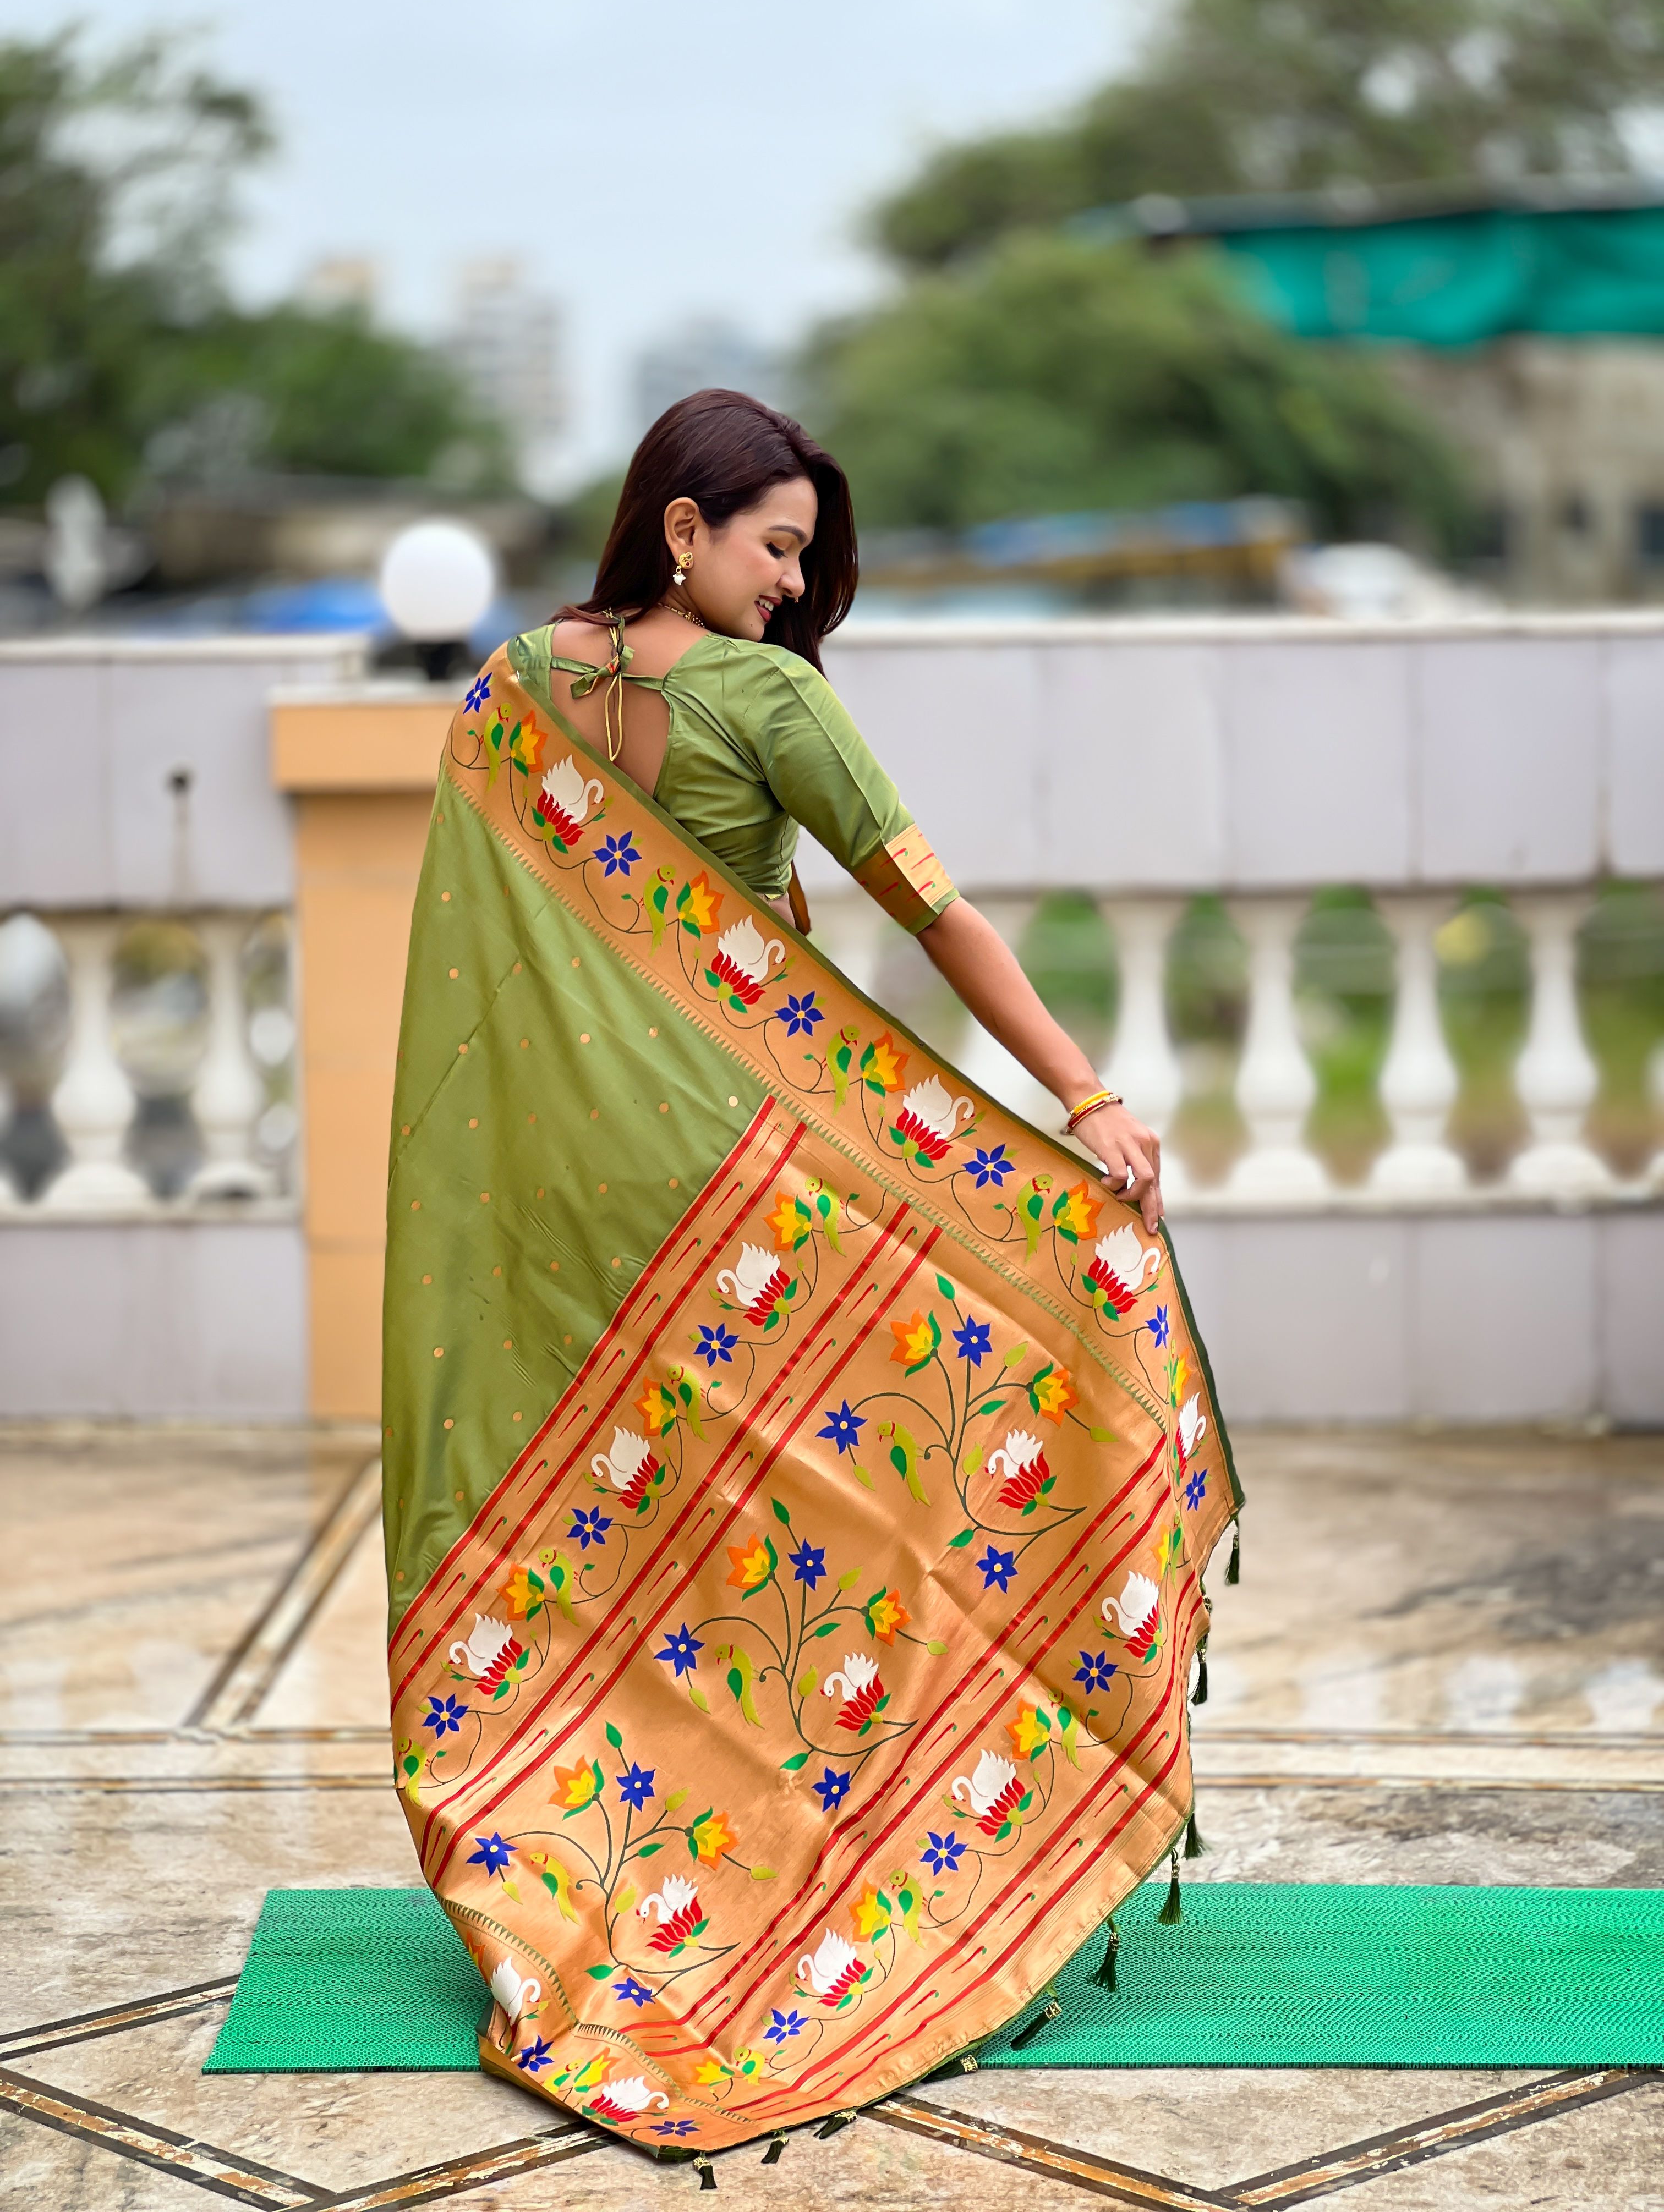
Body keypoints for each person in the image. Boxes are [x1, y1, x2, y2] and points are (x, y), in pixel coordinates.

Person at [381, 390, 1237, 2164]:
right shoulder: (768, 702)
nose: (793, 584)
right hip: (749, 1191)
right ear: (681, 528)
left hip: (573, 1204)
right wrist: (1082, 1095)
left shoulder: (514, 694)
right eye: (778, 547)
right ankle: (841, 1855)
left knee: (649, 1533)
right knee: (881, 1482)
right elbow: (938, 915)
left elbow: (476, 973)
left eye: (805, 555)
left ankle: (620, 1849)